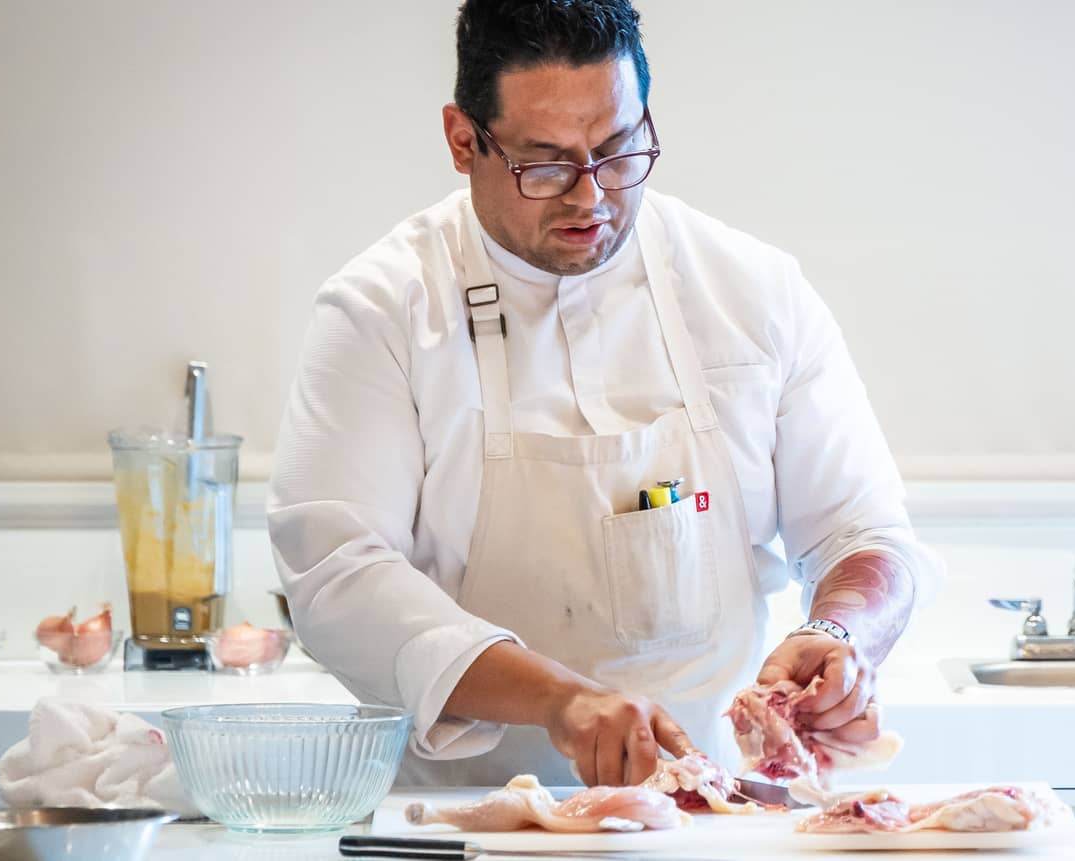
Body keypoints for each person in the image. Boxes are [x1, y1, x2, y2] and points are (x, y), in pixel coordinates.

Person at [268, 0, 938, 787]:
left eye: (620, 151)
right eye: (545, 164)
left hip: (715, 808)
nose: (591, 198)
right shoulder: (381, 308)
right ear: (461, 140)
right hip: (470, 818)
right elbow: (336, 577)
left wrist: (838, 633)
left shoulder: (753, 291)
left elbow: (866, 530)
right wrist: (562, 699)